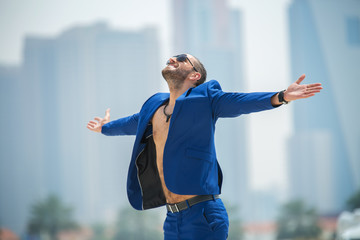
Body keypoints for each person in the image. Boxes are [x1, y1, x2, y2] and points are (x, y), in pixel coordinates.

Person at [86, 53, 322, 239]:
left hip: (203, 215)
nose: (173, 59)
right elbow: (131, 124)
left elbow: (240, 101)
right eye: (172, 57)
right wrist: (105, 128)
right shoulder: (154, 107)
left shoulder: (207, 98)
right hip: (171, 220)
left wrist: (281, 96)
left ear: (195, 75)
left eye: (181, 58)